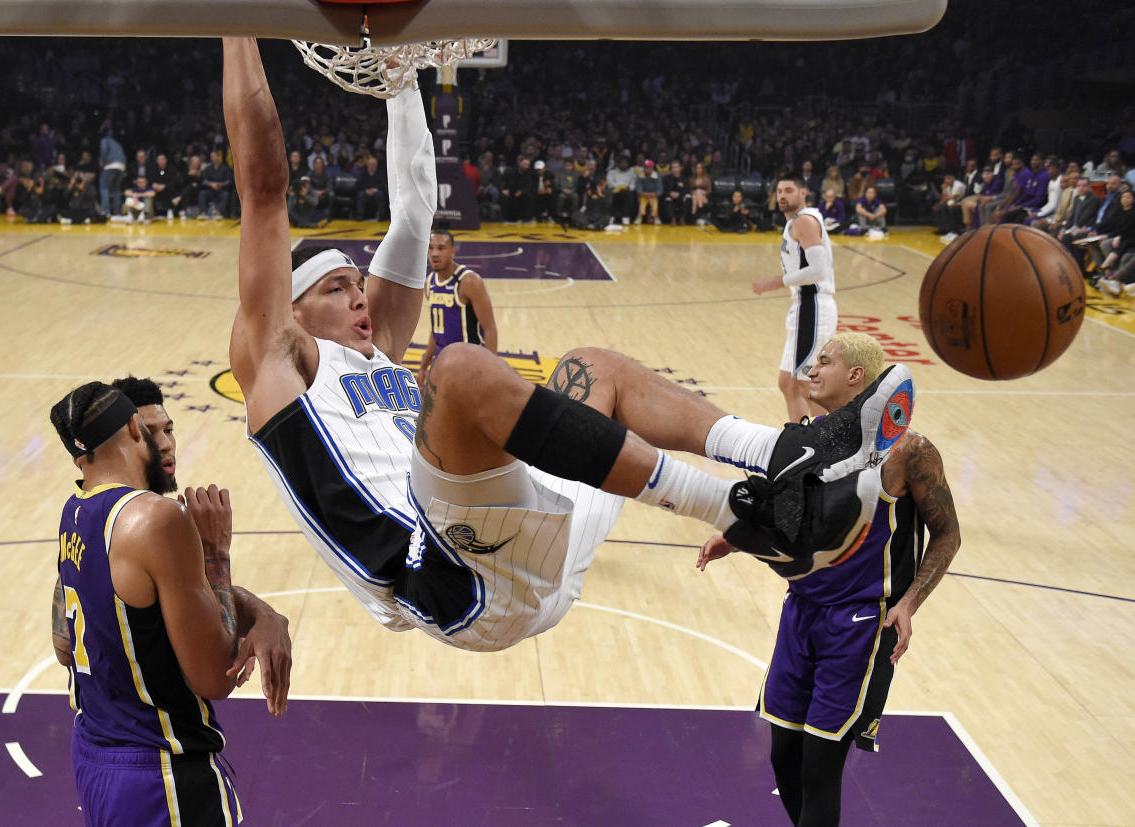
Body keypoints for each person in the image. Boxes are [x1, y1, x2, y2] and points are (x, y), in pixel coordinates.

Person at [222, 37, 915, 653]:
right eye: (336, 288)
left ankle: (778, 457)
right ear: (287, 310)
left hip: (536, 557)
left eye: (357, 281)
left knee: (593, 370)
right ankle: (736, 508)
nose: (358, 296)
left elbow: (413, 210)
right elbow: (262, 186)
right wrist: (238, 21)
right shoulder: (278, 363)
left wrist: (401, 78)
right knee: (460, 369)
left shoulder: (376, 351)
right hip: (444, 575)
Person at [697, 332, 960, 827]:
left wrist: (909, 603)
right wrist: (738, 536)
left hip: (861, 623)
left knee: (821, 768)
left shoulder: (909, 450)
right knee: (784, 757)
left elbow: (947, 534)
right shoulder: (810, 439)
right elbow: (790, 514)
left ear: (856, 377)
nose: (811, 371)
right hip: (802, 611)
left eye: (825, 362)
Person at [49, 379, 292, 826]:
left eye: (170, 429)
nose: (165, 443)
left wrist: (262, 612)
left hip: (94, 756)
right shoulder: (156, 518)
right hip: (161, 773)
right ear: (132, 428)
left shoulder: (75, 511)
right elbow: (216, 677)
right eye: (152, 429)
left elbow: (65, 646)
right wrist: (216, 551)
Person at [752, 174, 839, 424]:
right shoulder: (797, 222)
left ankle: (807, 448)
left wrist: (776, 281)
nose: (782, 195)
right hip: (805, 308)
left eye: (789, 190)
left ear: (803, 193)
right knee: (791, 384)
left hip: (812, 308)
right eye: (779, 191)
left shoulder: (804, 222)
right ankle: (814, 445)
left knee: (801, 386)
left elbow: (819, 270)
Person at [416, 230, 498, 384]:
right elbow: (437, 329)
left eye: (441, 248)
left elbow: (490, 329)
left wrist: (490, 371)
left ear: (452, 252)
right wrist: (423, 365)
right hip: (441, 362)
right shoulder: (429, 283)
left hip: (470, 362)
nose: (434, 253)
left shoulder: (469, 281)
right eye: (430, 248)